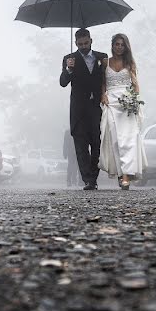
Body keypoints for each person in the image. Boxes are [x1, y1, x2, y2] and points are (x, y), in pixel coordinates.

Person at [60, 28, 107, 190]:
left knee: (96, 144)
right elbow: (63, 82)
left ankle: (94, 176)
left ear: (91, 41)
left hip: (95, 108)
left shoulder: (102, 57)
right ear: (75, 43)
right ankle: (88, 180)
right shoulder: (69, 59)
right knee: (80, 146)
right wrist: (69, 69)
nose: (83, 46)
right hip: (78, 110)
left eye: (86, 43)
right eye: (80, 44)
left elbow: (107, 81)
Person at [99, 33, 147, 189]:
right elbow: (102, 83)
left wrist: (133, 99)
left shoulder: (130, 63)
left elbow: (136, 86)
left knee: (128, 139)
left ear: (126, 46)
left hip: (127, 104)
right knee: (114, 139)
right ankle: (121, 174)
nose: (119, 47)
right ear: (112, 45)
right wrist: (103, 95)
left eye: (122, 44)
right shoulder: (105, 62)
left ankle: (126, 175)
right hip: (111, 103)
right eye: (116, 44)